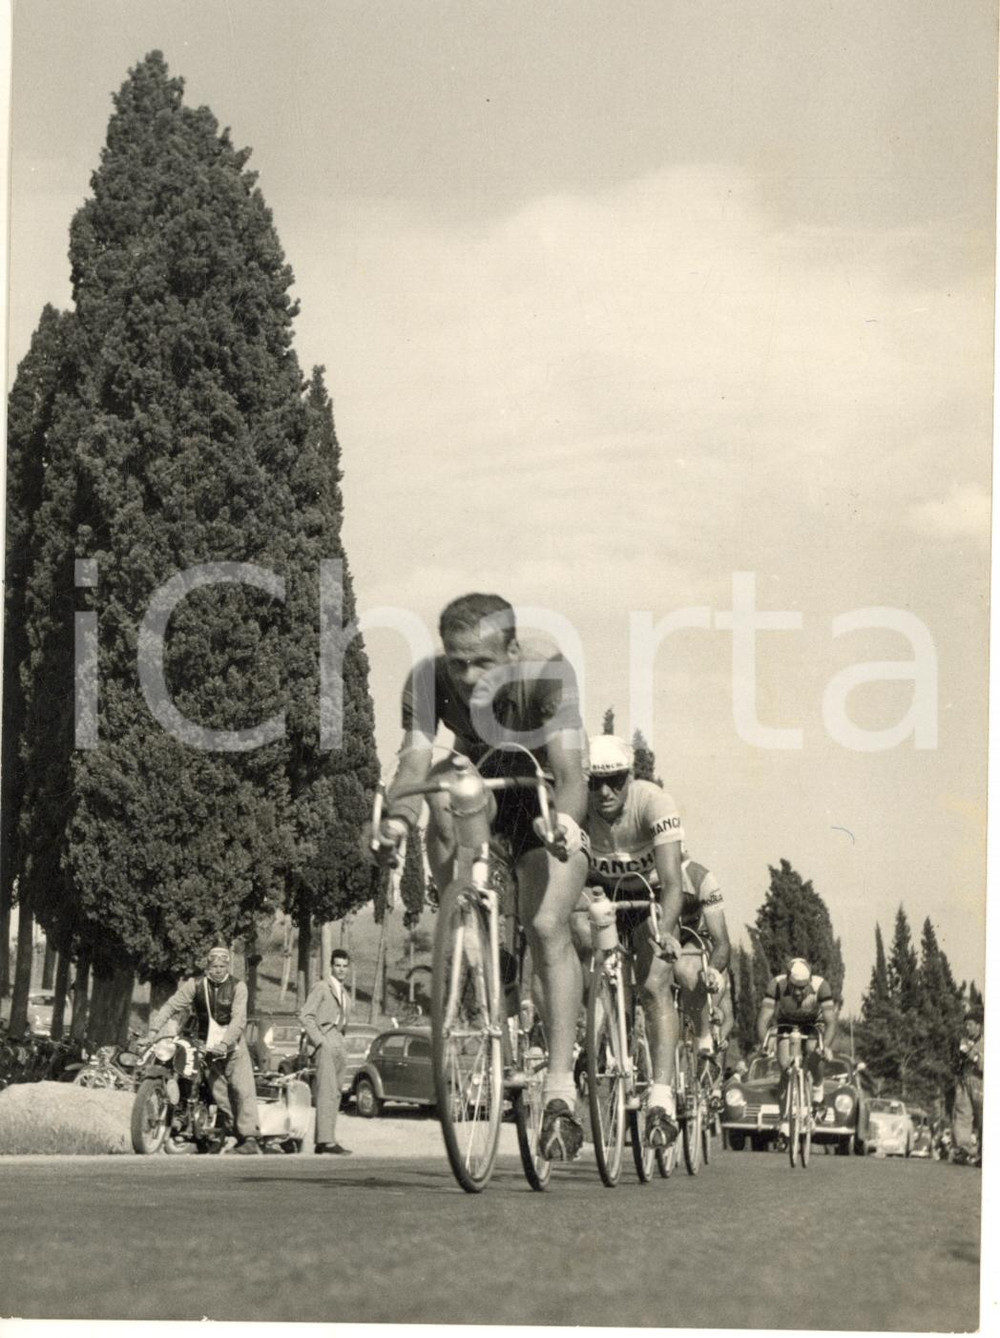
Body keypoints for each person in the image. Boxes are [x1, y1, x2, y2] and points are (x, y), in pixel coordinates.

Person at [374, 592, 590, 1161]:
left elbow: (571, 774)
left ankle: (561, 1088)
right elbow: (414, 763)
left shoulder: (548, 673)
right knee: (446, 790)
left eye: (483, 663)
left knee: (548, 926)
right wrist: (397, 820)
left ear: (513, 653)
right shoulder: (426, 680)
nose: (468, 676)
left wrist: (564, 824)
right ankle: (472, 924)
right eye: (458, 662)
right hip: (485, 781)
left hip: (544, 789)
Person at [582, 733, 684, 1149]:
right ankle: (600, 1033)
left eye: (614, 781)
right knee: (576, 940)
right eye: (594, 782)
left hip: (651, 897)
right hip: (602, 895)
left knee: (655, 984)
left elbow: (674, 883)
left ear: (630, 777)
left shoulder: (654, 802)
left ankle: (660, 1096)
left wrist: (664, 931)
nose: (604, 792)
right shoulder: (580, 804)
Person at [149, 945, 265, 1154]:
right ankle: (229, 1133)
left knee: (242, 1090)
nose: (218, 970)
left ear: (227, 967)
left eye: (222, 966)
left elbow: (239, 1019)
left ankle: (250, 1138)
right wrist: (153, 1030)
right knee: (219, 1094)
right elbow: (172, 1005)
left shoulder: (238, 987)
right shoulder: (195, 985)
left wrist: (225, 1043)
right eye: (214, 966)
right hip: (207, 1048)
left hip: (233, 1048)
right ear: (207, 967)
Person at [755, 957, 837, 1136]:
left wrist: (826, 1046)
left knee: (814, 1050)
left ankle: (818, 1091)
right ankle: (784, 1121)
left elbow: (831, 1022)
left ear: (810, 982)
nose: (798, 992)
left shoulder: (821, 986)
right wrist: (765, 1043)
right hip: (786, 1023)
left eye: (803, 988)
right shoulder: (777, 985)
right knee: (785, 1068)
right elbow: (763, 1019)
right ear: (788, 981)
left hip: (813, 1024)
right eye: (794, 988)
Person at [673, 847, 733, 1071]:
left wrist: (713, 971)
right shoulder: (645, 873)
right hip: (659, 936)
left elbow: (722, 942)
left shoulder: (701, 878)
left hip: (694, 938)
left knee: (687, 969)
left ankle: (702, 1033)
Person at [300, 948, 354, 1155]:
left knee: (336, 1093)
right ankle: (326, 1141)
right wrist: (320, 1042)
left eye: (344, 966)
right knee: (327, 1091)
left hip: (338, 1042)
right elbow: (306, 1016)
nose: (341, 970)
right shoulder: (322, 987)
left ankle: (325, 1139)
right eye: (337, 965)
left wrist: (341, 1044)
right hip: (325, 1041)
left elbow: (343, 1022)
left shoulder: (345, 994)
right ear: (331, 966)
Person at [950, 1005, 984, 1166]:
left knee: (984, 1117)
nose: (967, 1028)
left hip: (981, 1083)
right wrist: (957, 1059)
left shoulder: (986, 1042)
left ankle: (984, 1153)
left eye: (970, 1024)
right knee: (962, 1114)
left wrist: (974, 1057)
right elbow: (956, 1063)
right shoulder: (964, 1041)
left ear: (979, 1025)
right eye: (966, 1025)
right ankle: (962, 1149)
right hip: (964, 1081)